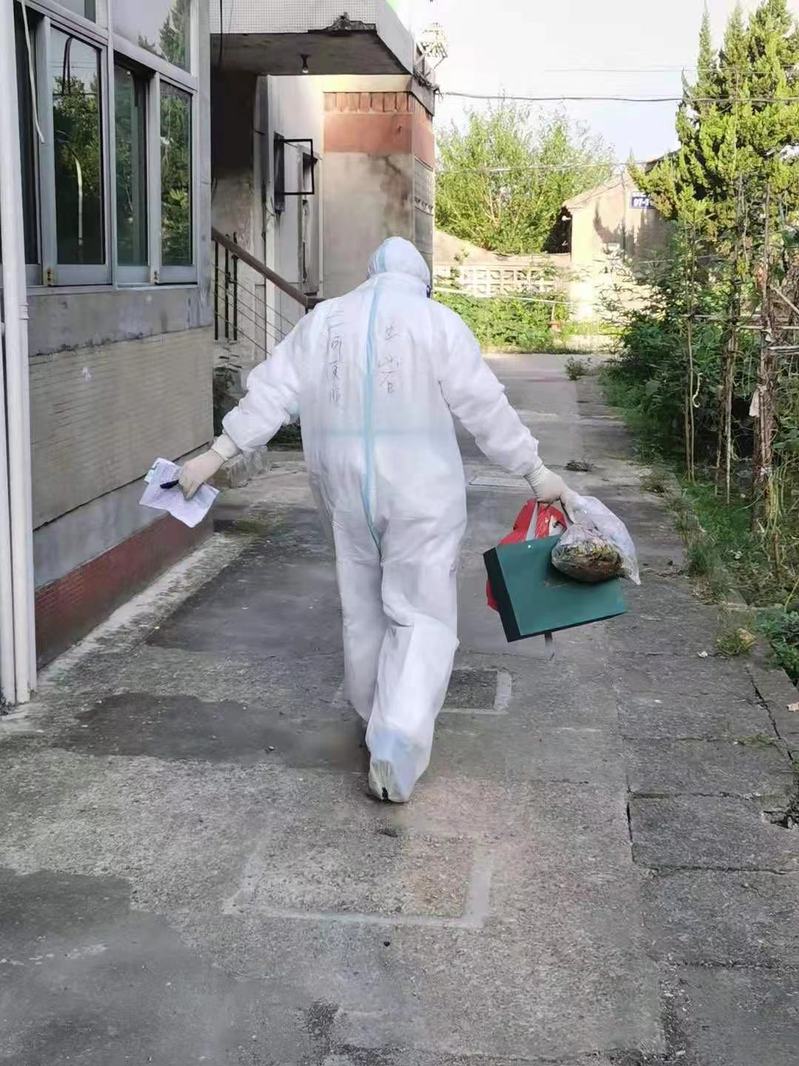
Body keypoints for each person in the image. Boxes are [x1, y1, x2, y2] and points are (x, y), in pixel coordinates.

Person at [180, 237, 569, 802]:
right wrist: (534, 471)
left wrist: (216, 455)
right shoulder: (436, 321)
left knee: (362, 610)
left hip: (343, 492)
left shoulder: (322, 322)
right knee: (421, 613)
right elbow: (484, 406)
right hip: (421, 493)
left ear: (369, 275)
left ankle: (372, 721)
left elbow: (271, 393)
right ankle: (395, 737)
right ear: (421, 282)